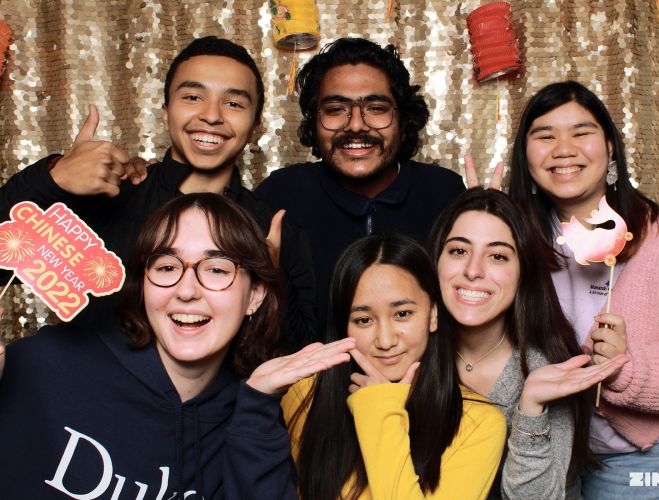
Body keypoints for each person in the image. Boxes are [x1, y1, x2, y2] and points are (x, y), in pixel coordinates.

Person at [0, 193, 357, 498]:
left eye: (217, 269)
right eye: (168, 267)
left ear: (255, 297)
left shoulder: (252, 415)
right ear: (144, 285)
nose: (186, 291)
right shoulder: (43, 365)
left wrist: (258, 405)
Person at [0, 36, 316, 351]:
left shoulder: (274, 232)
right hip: (90, 396)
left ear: (255, 125)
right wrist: (55, 176)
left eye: (233, 103)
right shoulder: (107, 195)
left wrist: (271, 284)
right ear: (165, 112)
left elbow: (301, 356)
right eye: (192, 97)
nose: (211, 115)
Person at [506, 81, 659, 499]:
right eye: (545, 135)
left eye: (581, 132)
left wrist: (627, 367)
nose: (563, 148)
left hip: (644, 450)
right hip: (551, 445)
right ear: (526, 157)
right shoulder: (513, 238)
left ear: (610, 148)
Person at [255, 233, 504, 499]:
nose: (385, 341)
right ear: (343, 327)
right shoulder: (303, 396)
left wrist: (378, 408)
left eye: (402, 314)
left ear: (432, 315)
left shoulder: (478, 423)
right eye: (363, 320)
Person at [255, 38, 466, 339]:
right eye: (336, 109)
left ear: (402, 120)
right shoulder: (281, 196)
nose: (355, 125)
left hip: (423, 383)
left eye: (376, 108)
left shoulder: (444, 193)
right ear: (315, 121)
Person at [429, 187, 628, 499]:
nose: (472, 271)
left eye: (497, 256)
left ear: (523, 273)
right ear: (436, 260)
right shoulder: (406, 352)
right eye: (458, 251)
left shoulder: (548, 370)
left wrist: (531, 410)